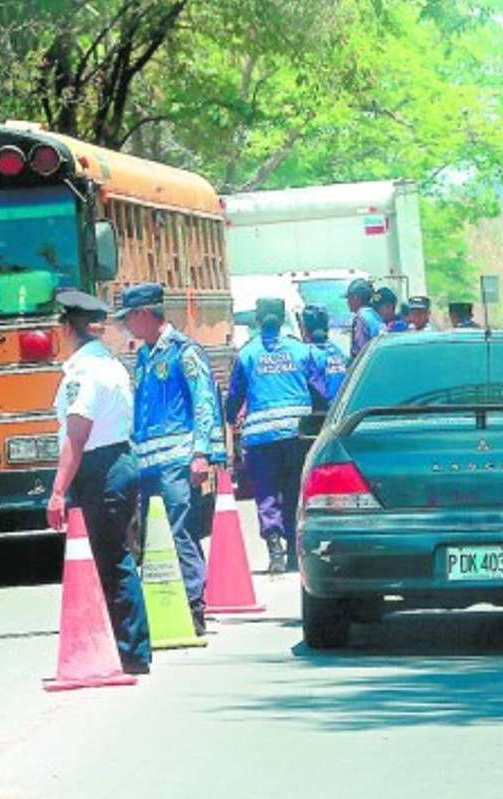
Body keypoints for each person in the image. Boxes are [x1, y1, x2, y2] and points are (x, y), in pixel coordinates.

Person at [47, 290, 150, 674]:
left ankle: (130, 652)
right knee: (113, 556)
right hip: (116, 460)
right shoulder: (108, 364)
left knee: (110, 560)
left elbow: (77, 436)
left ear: (66, 328)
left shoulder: (85, 372)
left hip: (99, 469)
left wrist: (57, 491)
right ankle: (127, 648)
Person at [117, 283, 226, 635]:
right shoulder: (144, 357)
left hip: (178, 462)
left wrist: (201, 453)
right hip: (148, 464)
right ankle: (167, 606)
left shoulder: (184, 352)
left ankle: (194, 605)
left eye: (128, 318)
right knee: (153, 538)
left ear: (144, 314)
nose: (125, 326)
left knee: (179, 532)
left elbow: (204, 403)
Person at [227, 298, 326, 573]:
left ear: (258, 321)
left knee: (266, 492)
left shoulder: (247, 354)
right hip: (296, 437)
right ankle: (295, 551)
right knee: (295, 490)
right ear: (282, 320)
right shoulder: (301, 350)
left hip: (260, 439)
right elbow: (319, 391)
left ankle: (275, 550)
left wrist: (230, 418)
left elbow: (235, 395)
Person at [302, 305, 348, 408]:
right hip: (342, 406)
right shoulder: (339, 352)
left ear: (305, 329)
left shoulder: (306, 354)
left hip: (323, 409)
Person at [346, 278, 383, 359]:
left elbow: (361, 351)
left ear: (357, 298)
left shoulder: (361, 319)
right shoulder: (373, 315)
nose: (347, 302)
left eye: (349, 298)